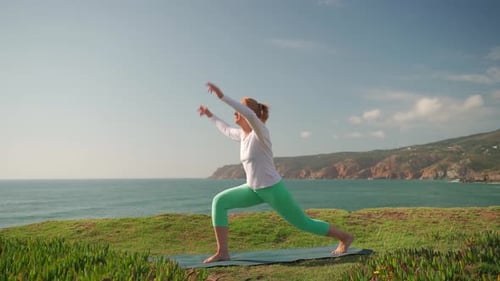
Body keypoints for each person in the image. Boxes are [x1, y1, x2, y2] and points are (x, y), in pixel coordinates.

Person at [197, 82, 354, 263]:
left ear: (249, 115)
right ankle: (223, 252)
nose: (235, 112)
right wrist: (210, 115)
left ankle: (345, 237)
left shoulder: (260, 132)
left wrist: (222, 97)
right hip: (253, 189)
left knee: (303, 223)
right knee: (219, 201)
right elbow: (225, 129)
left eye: (239, 109)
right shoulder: (243, 136)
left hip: (272, 189)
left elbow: (248, 113)